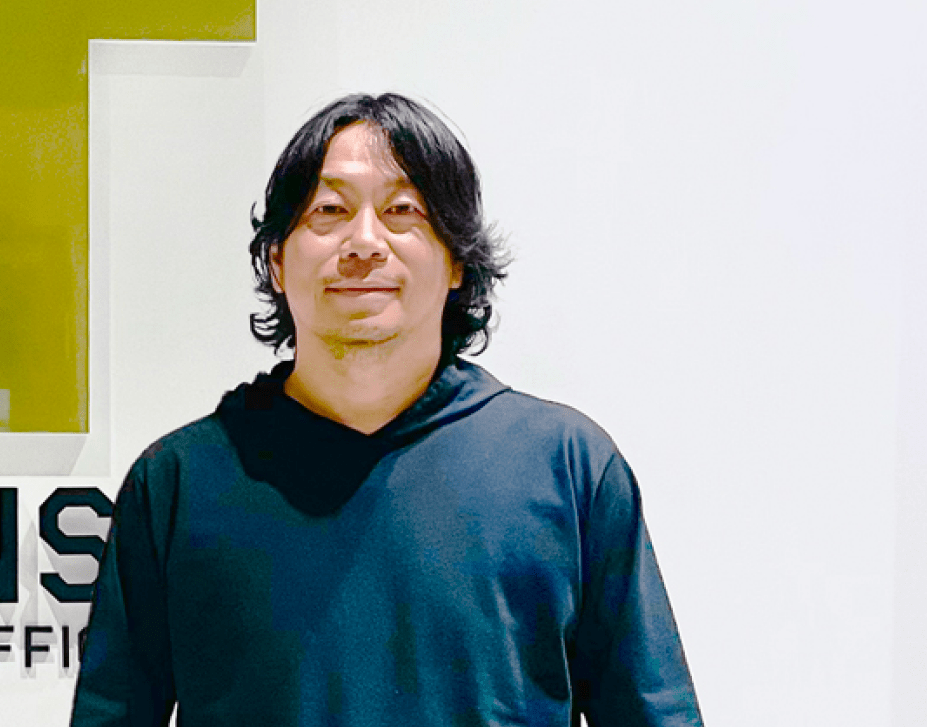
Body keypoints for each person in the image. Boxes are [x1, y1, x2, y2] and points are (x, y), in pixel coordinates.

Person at [70, 93, 704, 726]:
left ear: (457, 260)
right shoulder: (179, 483)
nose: (365, 242)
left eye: (403, 210)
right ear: (277, 260)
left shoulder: (567, 468)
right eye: (329, 210)